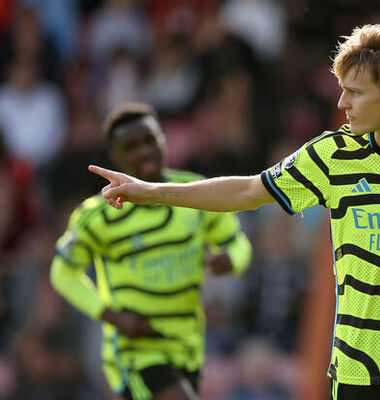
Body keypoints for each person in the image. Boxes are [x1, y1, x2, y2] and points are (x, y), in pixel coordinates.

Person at [90, 25, 380, 400]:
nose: (343, 102)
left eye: (355, 91)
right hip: (361, 368)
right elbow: (248, 192)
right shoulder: (331, 157)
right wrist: (152, 191)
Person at [50, 102, 252, 400]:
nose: (144, 151)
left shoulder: (196, 192)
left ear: (163, 141)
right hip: (136, 349)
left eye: (149, 140)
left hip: (187, 344)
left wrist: (230, 260)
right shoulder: (98, 215)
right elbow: (62, 272)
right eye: (131, 146)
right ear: (116, 157)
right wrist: (112, 317)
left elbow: (239, 243)